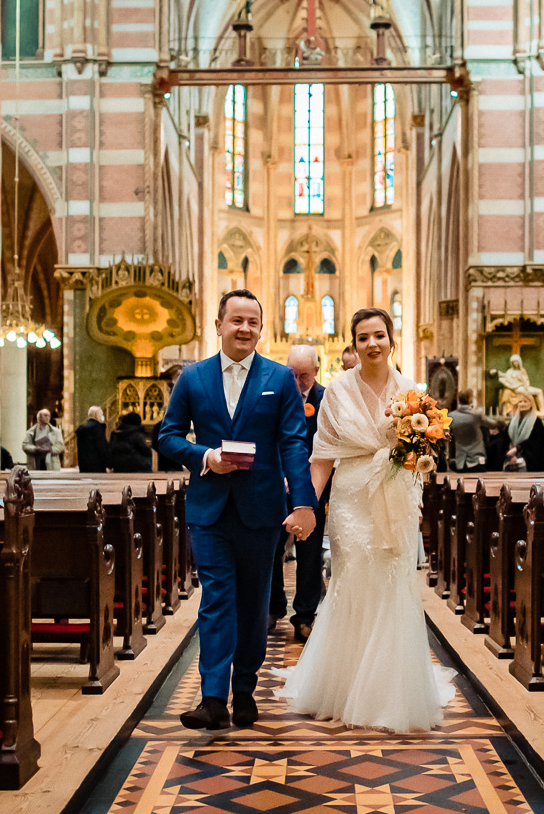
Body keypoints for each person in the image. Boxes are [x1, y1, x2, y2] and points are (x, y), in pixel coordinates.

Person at [275, 307, 457, 731]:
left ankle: (390, 687)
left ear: (391, 340)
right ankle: (346, 683)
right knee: (352, 583)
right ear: (353, 345)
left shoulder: (412, 392)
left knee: (393, 586)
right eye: (363, 337)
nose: (372, 343)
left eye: (379, 335)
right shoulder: (337, 391)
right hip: (351, 503)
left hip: (394, 499)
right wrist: (305, 505)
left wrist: (414, 499)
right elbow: (320, 458)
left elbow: (419, 460)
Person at [157, 290, 317, 731]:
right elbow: (168, 436)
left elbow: (292, 443)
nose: (244, 328)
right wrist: (205, 456)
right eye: (236, 320)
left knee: (252, 604)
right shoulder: (193, 377)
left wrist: (303, 502)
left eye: (252, 322)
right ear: (219, 325)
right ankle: (212, 699)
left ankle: (244, 689)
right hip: (209, 509)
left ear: (261, 329)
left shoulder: (280, 378)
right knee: (216, 601)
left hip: (261, 509)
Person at [270, 344, 327, 641]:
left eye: (304, 375)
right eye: (293, 373)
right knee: (272, 548)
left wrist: (303, 478)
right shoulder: (275, 394)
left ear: (316, 372)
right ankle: (273, 606)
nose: (298, 381)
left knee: (309, 552)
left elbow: (329, 447)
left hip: (312, 489)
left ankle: (304, 615)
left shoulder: (327, 399)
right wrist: (281, 474)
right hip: (277, 486)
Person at [505, 393, 544, 472]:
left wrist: (518, 449)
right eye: (520, 402)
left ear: (531, 404)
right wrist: (511, 455)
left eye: (525, 401)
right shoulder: (513, 421)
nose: (522, 404)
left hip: (530, 464)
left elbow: (535, 443)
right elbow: (506, 440)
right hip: (512, 461)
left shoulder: (536, 422)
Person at [447, 389, 487, 471]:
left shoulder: (451, 416)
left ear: (459, 400)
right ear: (471, 399)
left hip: (460, 460)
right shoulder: (476, 415)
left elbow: (448, 437)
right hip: (477, 459)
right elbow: (494, 424)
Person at [75, 406, 110, 473]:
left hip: (84, 467)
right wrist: (109, 464)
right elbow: (102, 448)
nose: (102, 416)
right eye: (101, 414)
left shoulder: (82, 430)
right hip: (98, 466)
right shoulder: (97, 428)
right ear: (96, 415)